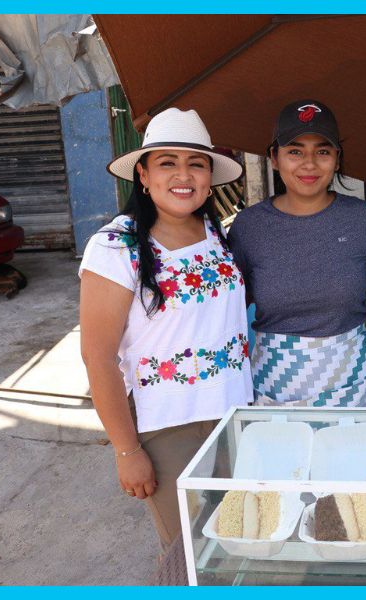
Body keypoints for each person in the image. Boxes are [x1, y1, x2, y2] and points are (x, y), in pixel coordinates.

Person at [79, 108, 252, 550]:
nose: (183, 175)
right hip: (167, 427)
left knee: (240, 543)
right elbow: (97, 357)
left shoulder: (216, 233)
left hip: (235, 414)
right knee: (190, 554)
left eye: (196, 163)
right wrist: (127, 450)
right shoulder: (115, 247)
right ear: (143, 174)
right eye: (167, 163)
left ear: (210, 178)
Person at [228, 99, 366, 407]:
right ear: (274, 158)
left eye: (322, 151)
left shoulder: (363, 219)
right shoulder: (249, 226)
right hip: (275, 385)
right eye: (295, 151)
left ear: (337, 159)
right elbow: (230, 307)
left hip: (354, 383)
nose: (309, 163)